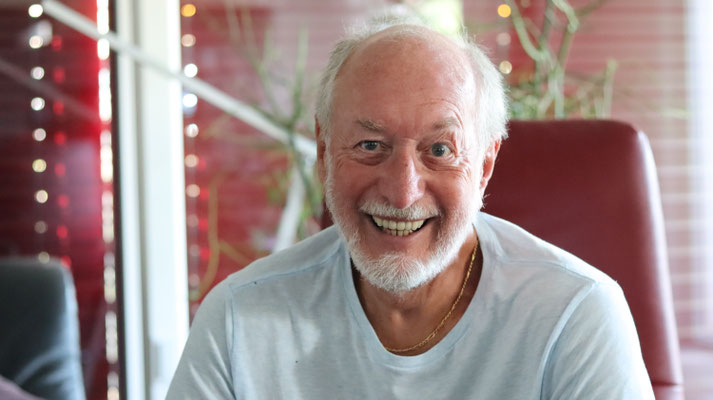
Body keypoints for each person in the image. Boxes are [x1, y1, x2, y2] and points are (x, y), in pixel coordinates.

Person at [167, 17, 654, 399]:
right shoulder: (239, 318)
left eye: (439, 150)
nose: (402, 193)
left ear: (484, 166)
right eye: (370, 145)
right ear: (324, 151)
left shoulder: (575, 313)